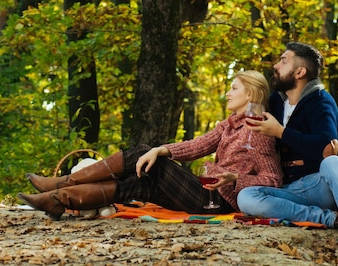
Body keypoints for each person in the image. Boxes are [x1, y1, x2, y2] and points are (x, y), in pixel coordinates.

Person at [18, 70, 283, 220]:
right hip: (205, 193)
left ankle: (62, 183)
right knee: (140, 181)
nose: (228, 92)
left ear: (250, 94)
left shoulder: (259, 131)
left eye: (234, 88)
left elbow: (273, 179)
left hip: (217, 201)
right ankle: (58, 200)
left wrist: (235, 178)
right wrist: (162, 149)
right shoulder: (228, 125)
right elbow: (196, 146)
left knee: (144, 155)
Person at [236, 42, 338, 266]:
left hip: (321, 186)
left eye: (283, 61)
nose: (276, 65)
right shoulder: (275, 102)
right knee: (247, 196)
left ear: (300, 72)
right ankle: (331, 220)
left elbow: (325, 146)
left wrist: (280, 132)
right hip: (289, 190)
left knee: (333, 162)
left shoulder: (321, 102)